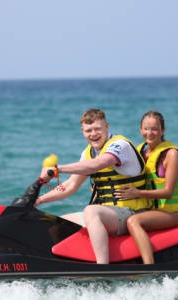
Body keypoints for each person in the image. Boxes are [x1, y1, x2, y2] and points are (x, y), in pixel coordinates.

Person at [37, 108, 151, 264]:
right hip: (109, 214)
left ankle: (102, 268)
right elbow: (70, 185)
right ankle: (62, 264)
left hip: (133, 212)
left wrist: (58, 169)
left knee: (91, 211)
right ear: (82, 131)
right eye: (88, 130)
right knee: (56, 223)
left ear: (106, 126)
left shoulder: (119, 145)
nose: (93, 134)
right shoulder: (88, 153)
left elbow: (99, 164)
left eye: (97, 128)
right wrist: (39, 200)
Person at [114, 110, 178, 264]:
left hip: (169, 213)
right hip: (146, 209)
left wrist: (137, 193)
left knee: (133, 221)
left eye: (154, 129)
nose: (149, 133)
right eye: (146, 128)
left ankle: (149, 266)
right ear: (140, 130)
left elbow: (168, 192)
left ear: (162, 130)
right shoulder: (138, 152)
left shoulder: (171, 154)